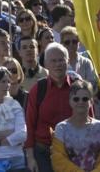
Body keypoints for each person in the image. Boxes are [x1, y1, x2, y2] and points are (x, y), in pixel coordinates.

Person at [26, 42, 83, 172]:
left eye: (61, 60)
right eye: (53, 61)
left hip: (74, 153)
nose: (58, 64)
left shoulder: (79, 88)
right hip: (43, 152)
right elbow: (29, 124)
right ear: (46, 64)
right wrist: (30, 157)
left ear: (68, 61)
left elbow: (90, 120)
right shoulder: (38, 89)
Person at [51, 80, 100, 171]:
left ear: (92, 102)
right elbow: (58, 159)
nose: (80, 102)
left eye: (85, 99)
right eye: (76, 99)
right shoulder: (61, 128)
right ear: (70, 101)